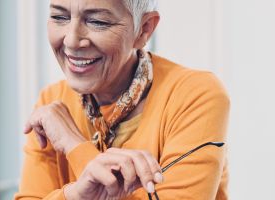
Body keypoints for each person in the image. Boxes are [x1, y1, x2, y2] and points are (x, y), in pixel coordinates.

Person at [15, 0, 229, 199]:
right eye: (60, 17)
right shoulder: (52, 103)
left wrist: (75, 146)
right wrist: (74, 194)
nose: (71, 40)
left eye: (97, 21)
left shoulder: (195, 95)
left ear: (144, 29)